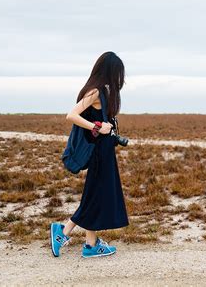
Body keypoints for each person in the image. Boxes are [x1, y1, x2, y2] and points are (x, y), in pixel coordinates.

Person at [50, 51, 130, 258]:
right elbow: (72, 115)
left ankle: (91, 245)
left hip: (105, 152)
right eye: (118, 73)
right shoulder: (94, 91)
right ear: (110, 71)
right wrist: (96, 125)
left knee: (95, 196)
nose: (121, 78)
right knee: (94, 197)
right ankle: (63, 232)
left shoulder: (105, 92)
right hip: (97, 154)